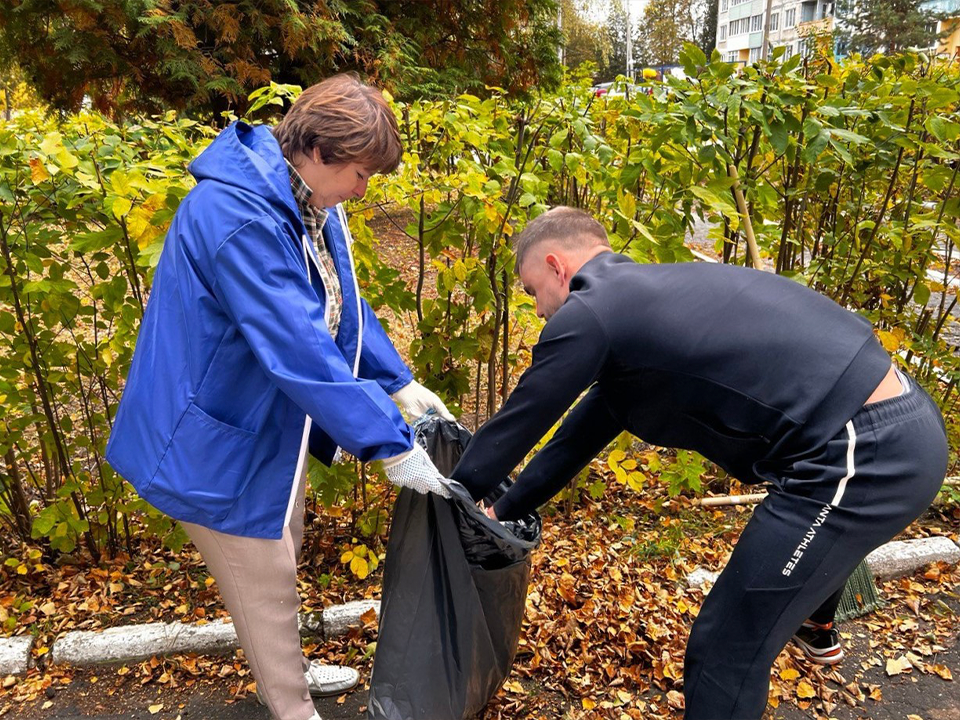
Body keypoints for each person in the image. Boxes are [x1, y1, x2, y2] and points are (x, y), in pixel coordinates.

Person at [450, 206, 947, 720]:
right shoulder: (644, 309)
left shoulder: (593, 310)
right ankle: (814, 620)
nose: (536, 311)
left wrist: (454, 494)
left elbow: (521, 420)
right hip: (893, 425)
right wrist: (505, 508)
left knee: (723, 650)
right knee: (770, 592)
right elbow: (577, 437)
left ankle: (804, 618)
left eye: (532, 292)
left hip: (861, 453)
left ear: (557, 266)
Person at [106, 74, 452, 720]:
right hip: (208, 438)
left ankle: (285, 672)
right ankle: (291, 707)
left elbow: (340, 304)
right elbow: (295, 342)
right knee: (263, 579)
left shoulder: (310, 202)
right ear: (317, 152)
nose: (364, 188)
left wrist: (398, 381)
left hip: (262, 424)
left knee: (281, 551)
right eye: (359, 172)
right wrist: (387, 442)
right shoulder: (238, 216)